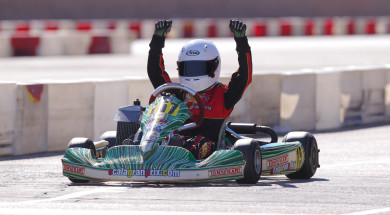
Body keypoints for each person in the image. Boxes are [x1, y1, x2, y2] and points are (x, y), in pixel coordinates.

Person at [147, 19, 252, 159]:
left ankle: (179, 153)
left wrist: (241, 42)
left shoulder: (223, 95)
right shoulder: (178, 93)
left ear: (214, 66)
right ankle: (141, 147)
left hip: (206, 147)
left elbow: (244, 76)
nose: (193, 73)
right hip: (171, 140)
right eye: (188, 68)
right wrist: (157, 41)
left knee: (199, 143)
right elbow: (155, 72)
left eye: (199, 68)